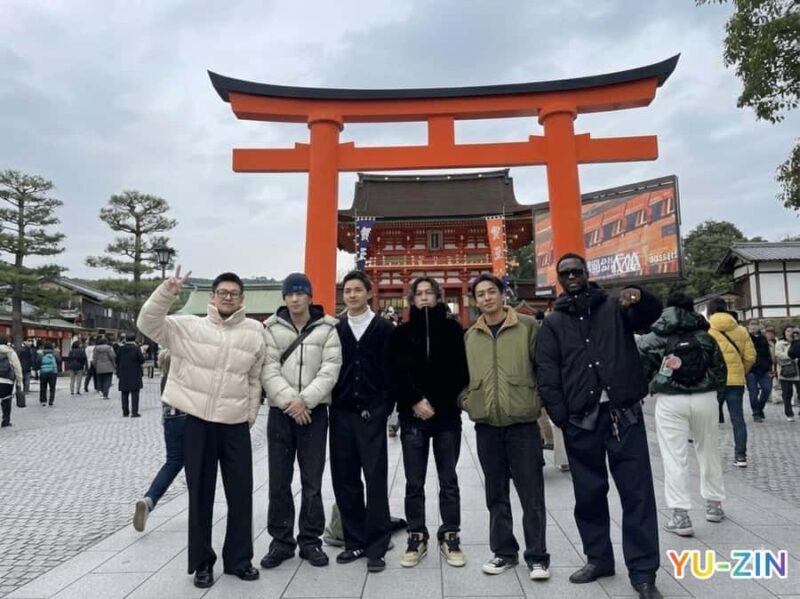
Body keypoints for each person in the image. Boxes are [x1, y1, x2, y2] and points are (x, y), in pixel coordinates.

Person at [534, 253, 663, 599]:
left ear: (587, 273)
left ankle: (643, 572)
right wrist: (561, 417)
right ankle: (598, 558)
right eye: (565, 273)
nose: (571, 276)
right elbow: (547, 371)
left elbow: (649, 316)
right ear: (559, 280)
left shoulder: (614, 306)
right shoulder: (554, 323)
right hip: (581, 419)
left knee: (637, 494)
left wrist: (640, 295)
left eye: (576, 271)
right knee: (588, 494)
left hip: (624, 414)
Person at [138, 268, 265, 589]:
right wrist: (167, 291)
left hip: (235, 424)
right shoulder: (188, 326)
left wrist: (249, 415)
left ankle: (239, 560)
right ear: (212, 296)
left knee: (241, 494)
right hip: (197, 421)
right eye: (222, 292)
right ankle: (202, 563)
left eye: (233, 293)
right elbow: (147, 323)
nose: (227, 297)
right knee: (200, 495)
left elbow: (254, 379)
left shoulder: (254, 331)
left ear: (242, 299)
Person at [462, 273, 550, 580]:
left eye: (491, 292)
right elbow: (461, 377)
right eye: (480, 294)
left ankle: (537, 557)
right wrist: (469, 401)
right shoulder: (471, 335)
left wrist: (535, 400)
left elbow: (543, 368)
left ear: (503, 294)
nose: (486, 298)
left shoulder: (527, 326)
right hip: (487, 424)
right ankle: (503, 552)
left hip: (522, 423)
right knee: (495, 493)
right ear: (475, 301)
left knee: (531, 493)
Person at [387, 276, 469, 569]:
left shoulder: (453, 330)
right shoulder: (401, 333)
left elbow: (462, 372)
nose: (423, 298)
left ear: (437, 297)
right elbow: (394, 372)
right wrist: (414, 401)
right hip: (413, 418)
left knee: (449, 480)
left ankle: (450, 534)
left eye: (428, 293)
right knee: (414, 481)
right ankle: (416, 535)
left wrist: (439, 403)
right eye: (419, 293)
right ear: (412, 299)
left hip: (447, 417)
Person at [261, 273, 342, 569]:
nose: (295, 299)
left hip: (314, 412)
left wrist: (305, 401)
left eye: (300, 293)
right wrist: (290, 402)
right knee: (279, 481)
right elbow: (267, 368)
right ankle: (281, 541)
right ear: (284, 298)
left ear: (310, 296)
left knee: (312, 481)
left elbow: (330, 369)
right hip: (281, 413)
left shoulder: (328, 328)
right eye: (290, 294)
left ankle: (310, 540)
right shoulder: (269, 328)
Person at [637, 292, 728, 536]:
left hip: (670, 400)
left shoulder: (653, 338)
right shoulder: (705, 336)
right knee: (708, 450)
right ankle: (714, 505)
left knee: (674, 456)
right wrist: (714, 395)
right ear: (692, 309)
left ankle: (681, 516)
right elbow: (721, 370)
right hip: (705, 398)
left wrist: (652, 385)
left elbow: (641, 368)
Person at [329, 271, 394, 572]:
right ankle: (353, 541)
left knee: (375, 477)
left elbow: (391, 371)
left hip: (372, 412)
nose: (352, 295)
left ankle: (377, 545)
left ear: (369, 293)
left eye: (358, 290)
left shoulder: (384, 328)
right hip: (341, 412)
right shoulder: (336, 329)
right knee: (345, 478)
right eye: (347, 291)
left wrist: (384, 408)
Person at [133, 348, 186, 532]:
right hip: (189, 419)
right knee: (196, 465)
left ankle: (149, 499)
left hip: (170, 420)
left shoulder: (165, 379)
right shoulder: (186, 377)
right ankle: (198, 509)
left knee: (172, 463)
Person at [706, 298, 755, 466]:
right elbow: (750, 356)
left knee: (708, 420)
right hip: (736, 382)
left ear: (710, 311)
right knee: (738, 419)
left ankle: (709, 456)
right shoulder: (741, 330)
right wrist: (741, 371)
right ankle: (741, 456)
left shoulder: (707, 330)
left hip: (714, 382)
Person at [746, 321, 773, 422]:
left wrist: (770, 365)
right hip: (751, 369)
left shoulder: (763, 338)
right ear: (749, 326)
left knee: (767, 389)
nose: (753, 327)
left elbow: (767, 353)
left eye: (755, 325)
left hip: (764, 368)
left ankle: (760, 408)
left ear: (758, 326)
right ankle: (756, 413)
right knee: (753, 393)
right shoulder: (746, 338)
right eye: (752, 325)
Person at [116, 333, 144, 417]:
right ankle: (134, 412)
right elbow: (142, 360)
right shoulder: (136, 348)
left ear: (126, 339)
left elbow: (117, 360)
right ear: (134, 339)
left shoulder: (121, 349)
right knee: (135, 393)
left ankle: (125, 412)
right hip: (135, 373)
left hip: (123, 373)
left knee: (124, 393)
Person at [776, 326, 800, 420]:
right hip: (786, 371)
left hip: (798, 372)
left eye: (792, 331)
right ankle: (789, 413)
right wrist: (792, 357)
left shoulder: (798, 342)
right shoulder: (780, 343)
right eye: (788, 331)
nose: (790, 333)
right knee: (787, 394)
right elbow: (779, 354)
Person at [1, 335, 24, 427]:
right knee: (6, 400)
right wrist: (19, 381)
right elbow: (17, 368)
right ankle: (5, 420)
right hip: (7, 380)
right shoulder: (10, 352)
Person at [37, 342, 61, 407]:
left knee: (43, 387)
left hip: (43, 372)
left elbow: (38, 362)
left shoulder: (41, 354)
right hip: (53, 372)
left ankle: (43, 400)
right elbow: (59, 361)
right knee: (52, 387)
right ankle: (51, 401)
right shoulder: (55, 353)